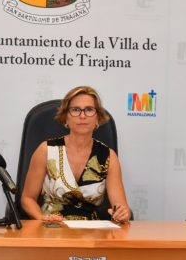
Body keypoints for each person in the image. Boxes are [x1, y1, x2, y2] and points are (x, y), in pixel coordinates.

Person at [21, 86, 130, 222]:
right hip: (52, 227)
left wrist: (122, 213)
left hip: (92, 231)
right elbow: (27, 198)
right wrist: (42, 218)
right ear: (65, 118)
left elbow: (120, 206)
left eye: (89, 110)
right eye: (76, 110)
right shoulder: (46, 150)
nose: (82, 116)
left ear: (97, 118)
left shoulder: (109, 156)